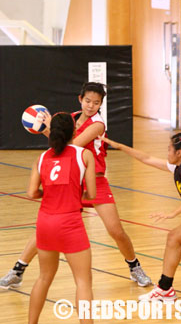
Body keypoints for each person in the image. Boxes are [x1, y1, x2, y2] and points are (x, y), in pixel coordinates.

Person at [0, 82, 151, 289]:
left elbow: (72, 146)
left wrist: (47, 129)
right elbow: (62, 145)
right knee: (46, 228)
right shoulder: (70, 118)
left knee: (116, 230)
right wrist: (46, 128)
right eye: (88, 101)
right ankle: (17, 270)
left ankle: (134, 267)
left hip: (95, 180)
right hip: (70, 181)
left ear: (100, 105)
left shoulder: (98, 124)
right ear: (80, 99)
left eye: (96, 103)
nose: (91, 106)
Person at [99, 132, 181, 301]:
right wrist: (119, 146)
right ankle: (165, 289)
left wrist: (173, 213)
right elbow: (147, 158)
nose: (167, 152)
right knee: (174, 238)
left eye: (169, 149)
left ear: (179, 153)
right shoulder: (180, 166)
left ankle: (165, 289)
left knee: (174, 237)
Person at [28, 112, 96, 323]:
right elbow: (92, 194)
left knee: (44, 277)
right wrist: (77, 195)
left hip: (45, 222)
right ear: (74, 132)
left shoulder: (41, 158)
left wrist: (48, 193)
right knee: (83, 281)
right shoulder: (84, 155)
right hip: (70, 223)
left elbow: (32, 193)